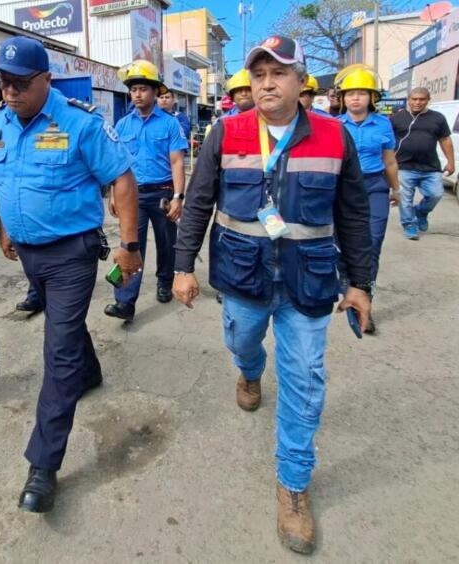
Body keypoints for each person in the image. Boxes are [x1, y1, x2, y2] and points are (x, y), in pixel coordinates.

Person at [173, 35, 372, 554]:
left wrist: (360, 284)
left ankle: (294, 486)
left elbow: (353, 215)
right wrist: (182, 267)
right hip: (242, 279)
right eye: (258, 74)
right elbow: (198, 204)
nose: (267, 82)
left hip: (307, 284)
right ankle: (249, 369)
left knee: (305, 380)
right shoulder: (225, 131)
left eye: (279, 73)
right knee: (241, 342)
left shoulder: (334, 137)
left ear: (301, 81)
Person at [0, 36, 141, 513]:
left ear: (46, 80)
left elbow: (122, 178)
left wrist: (130, 246)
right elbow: (3, 181)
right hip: (28, 252)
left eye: (20, 83)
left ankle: (43, 464)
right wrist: (7, 230)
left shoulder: (79, 122)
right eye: (2, 81)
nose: (9, 91)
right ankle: (88, 372)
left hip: (71, 254)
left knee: (57, 350)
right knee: (65, 328)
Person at [104, 59, 187, 321]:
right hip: (132, 196)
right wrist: (114, 194)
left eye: (143, 89)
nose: (137, 94)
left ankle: (164, 282)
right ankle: (125, 303)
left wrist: (178, 197)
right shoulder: (122, 125)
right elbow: (115, 164)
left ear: (155, 92)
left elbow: (177, 162)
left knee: (166, 244)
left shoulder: (170, 124)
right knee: (130, 246)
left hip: (162, 192)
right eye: (133, 89)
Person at [337, 67, 399, 334]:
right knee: (340, 245)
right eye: (351, 93)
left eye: (362, 93)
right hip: (342, 188)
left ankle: (364, 301)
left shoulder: (384, 124)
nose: (356, 98)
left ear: (372, 97)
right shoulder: (335, 125)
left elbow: (390, 161)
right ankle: (347, 283)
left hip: (374, 186)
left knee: (372, 244)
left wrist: (395, 189)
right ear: (343, 98)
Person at [390, 87, 455, 239]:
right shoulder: (397, 119)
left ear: (428, 100)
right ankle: (409, 224)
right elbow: (388, 142)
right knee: (404, 200)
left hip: (430, 167)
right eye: (414, 99)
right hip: (403, 167)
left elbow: (445, 140)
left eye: (422, 99)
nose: (417, 102)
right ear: (408, 99)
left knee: (436, 194)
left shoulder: (437, 118)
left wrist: (451, 162)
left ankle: (421, 211)